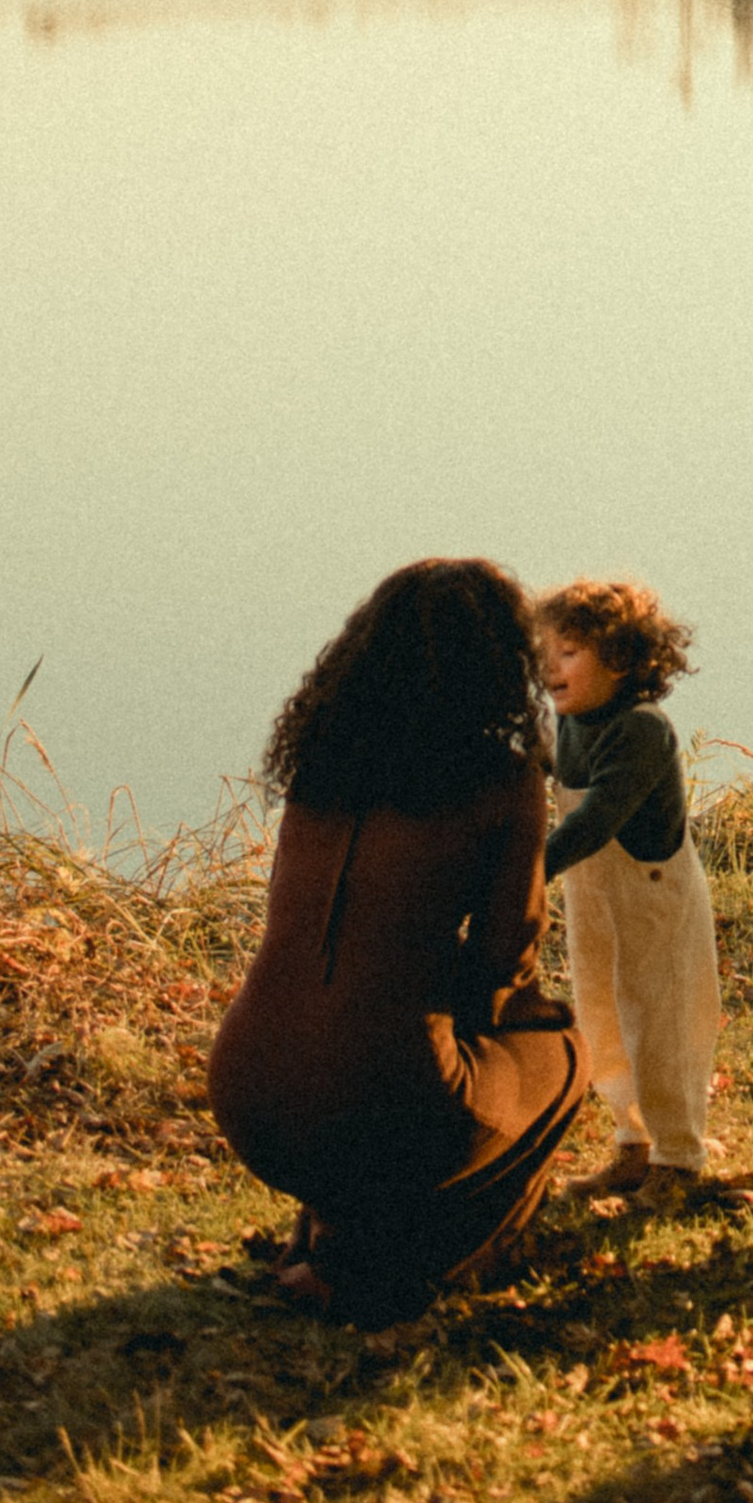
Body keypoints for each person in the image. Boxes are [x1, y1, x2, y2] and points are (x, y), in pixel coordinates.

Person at [208, 558, 586, 1323]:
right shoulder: (502, 781)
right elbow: (502, 966)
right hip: (381, 1108)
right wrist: (514, 1008)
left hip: (247, 1095)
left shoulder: (319, 768)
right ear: (497, 666)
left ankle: (327, 1233)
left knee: (376, 1055)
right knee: (565, 1056)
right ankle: (435, 1262)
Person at [537, 576, 722, 1200]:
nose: (549, 667)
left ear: (620, 660)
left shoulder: (641, 729)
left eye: (568, 652)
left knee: (661, 1024)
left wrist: (524, 873)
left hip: (653, 897)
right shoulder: (569, 722)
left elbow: (594, 820)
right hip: (594, 901)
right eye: (545, 651)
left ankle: (677, 1157)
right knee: (604, 1017)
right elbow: (543, 762)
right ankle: (632, 1144)